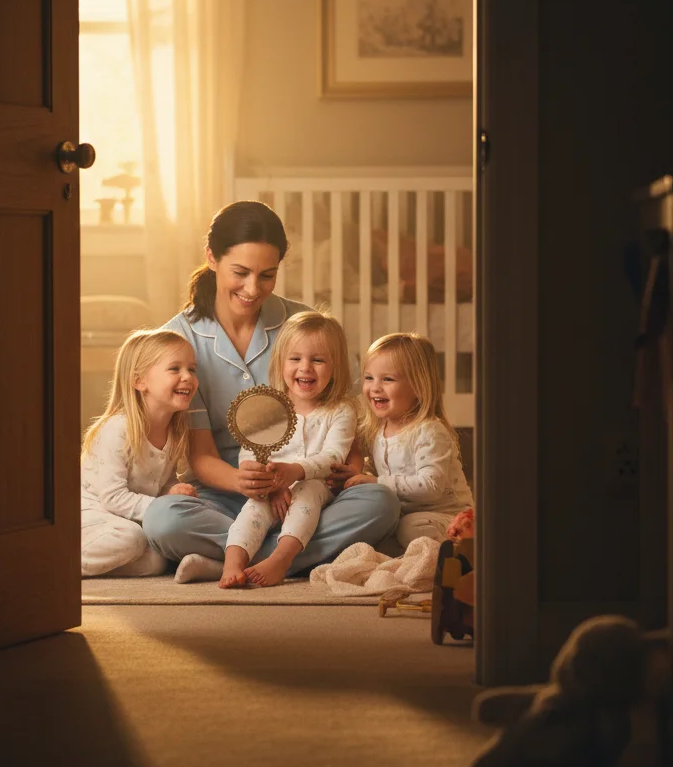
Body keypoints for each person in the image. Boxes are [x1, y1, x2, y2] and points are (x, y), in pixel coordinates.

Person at [142, 200, 400, 582]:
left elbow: (343, 417)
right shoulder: (179, 340)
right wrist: (249, 483)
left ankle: (231, 559)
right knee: (162, 519)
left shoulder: (304, 325)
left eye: (267, 275)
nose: (252, 289)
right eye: (241, 272)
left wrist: (350, 467)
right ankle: (286, 556)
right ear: (211, 258)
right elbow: (200, 455)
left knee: (381, 503)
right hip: (224, 489)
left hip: (307, 485)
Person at [220, 310, 357, 588]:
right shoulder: (270, 407)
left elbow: (333, 457)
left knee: (307, 493)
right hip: (273, 487)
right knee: (253, 509)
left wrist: (294, 473)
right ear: (281, 363)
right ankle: (232, 563)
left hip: (316, 485)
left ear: (336, 367)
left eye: (318, 360)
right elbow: (250, 450)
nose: (305, 368)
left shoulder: (341, 411)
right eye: (295, 359)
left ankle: (281, 559)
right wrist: (269, 484)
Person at [79, 329, 200, 577]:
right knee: (132, 538)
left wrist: (173, 491)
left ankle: (93, 567)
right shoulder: (118, 429)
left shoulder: (173, 431)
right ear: (139, 381)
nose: (187, 377)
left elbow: (161, 482)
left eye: (192, 369)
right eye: (175, 369)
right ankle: (52, 562)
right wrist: (161, 505)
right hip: (92, 516)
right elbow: (112, 497)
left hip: (126, 521)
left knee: (156, 560)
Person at [344, 332, 473, 549]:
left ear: (418, 387)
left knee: (410, 528)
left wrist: (377, 482)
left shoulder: (429, 431)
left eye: (387, 379)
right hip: (406, 513)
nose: (375, 387)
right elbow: (382, 472)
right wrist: (359, 474)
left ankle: (460, 548)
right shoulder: (379, 430)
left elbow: (430, 485)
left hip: (447, 516)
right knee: (376, 530)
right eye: (369, 378)